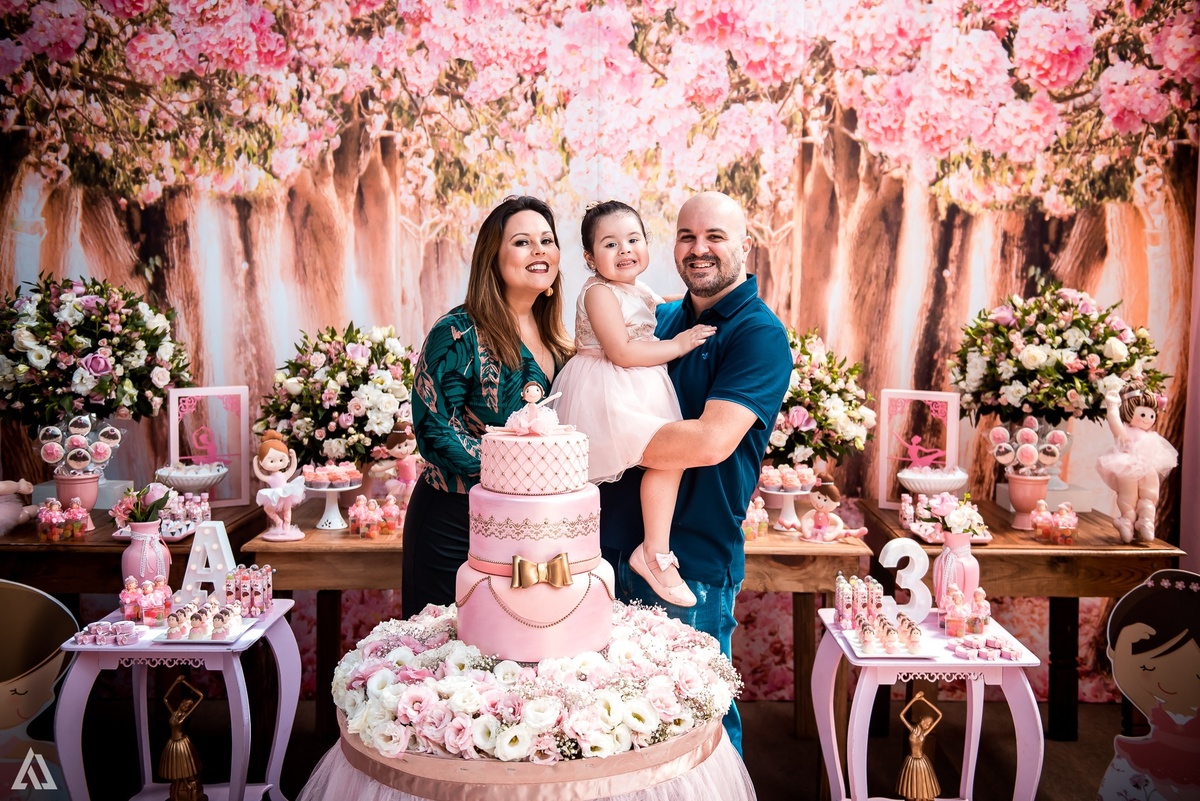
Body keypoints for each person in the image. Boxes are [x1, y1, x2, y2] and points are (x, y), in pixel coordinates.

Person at [597, 191, 791, 752]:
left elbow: (709, 442)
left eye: (715, 237)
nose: (699, 249)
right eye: (687, 237)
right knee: (625, 732)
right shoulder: (661, 319)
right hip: (615, 554)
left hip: (694, 562)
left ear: (745, 246)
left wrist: (604, 443)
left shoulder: (757, 333)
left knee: (698, 732)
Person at [403, 195, 574, 615]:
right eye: (522, 242)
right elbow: (435, 432)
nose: (539, 250)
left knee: (517, 656)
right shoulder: (458, 332)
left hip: (530, 528)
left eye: (547, 240)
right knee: (446, 660)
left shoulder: (559, 339)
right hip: (455, 523)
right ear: (492, 258)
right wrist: (525, 470)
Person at [553, 200, 716, 607]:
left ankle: (652, 551)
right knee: (668, 455)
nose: (624, 250)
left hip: (637, 386)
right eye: (610, 244)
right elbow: (622, 351)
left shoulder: (632, 287)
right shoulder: (599, 293)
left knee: (669, 458)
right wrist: (677, 345)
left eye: (633, 239)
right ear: (590, 258)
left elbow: (660, 304)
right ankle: (649, 555)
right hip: (605, 389)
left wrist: (706, 299)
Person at [1098, 568, 1200, 801]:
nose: (1171, 683)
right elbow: (1131, 683)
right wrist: (1125, 647)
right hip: (1151, 765)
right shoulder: (1161, 711)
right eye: (1148, 668)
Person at [1097, 386, 1178, 542]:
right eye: (1142, 414)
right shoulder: (1126, 432)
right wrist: (1112, 406)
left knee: (1150, 494)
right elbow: (1115, 424)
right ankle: (1126, 522)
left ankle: (1146, 521)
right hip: (1127, 465)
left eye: (1151, 415)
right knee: (1129, 497)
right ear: (1128, 412)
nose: (1147, 419)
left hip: (1147, 467)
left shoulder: (1151, 435)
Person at [252, 430, 305, 533]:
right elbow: (260, 475)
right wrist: (255, 463)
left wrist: (293, 457)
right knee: (268, 509)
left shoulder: (283, 475)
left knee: (287, 511)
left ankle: (287, 526)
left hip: (286, 494)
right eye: (271, 461)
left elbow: (292, 468)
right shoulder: (270, 478)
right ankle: (278, 521)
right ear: (262, 463)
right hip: (274, 495)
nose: (277, 464)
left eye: (281, 460)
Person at [896, 692, 942, 801]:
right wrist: (915, 699)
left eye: (929, 724)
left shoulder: (924, 734)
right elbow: (901, 715)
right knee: (911, 784)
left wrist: (925, 700)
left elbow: (940, 715)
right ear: (921, 721)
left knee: (923, 782)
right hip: (911, 760)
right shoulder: (913, 730)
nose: (928, 725)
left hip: (921, 760)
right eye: (926, 723)